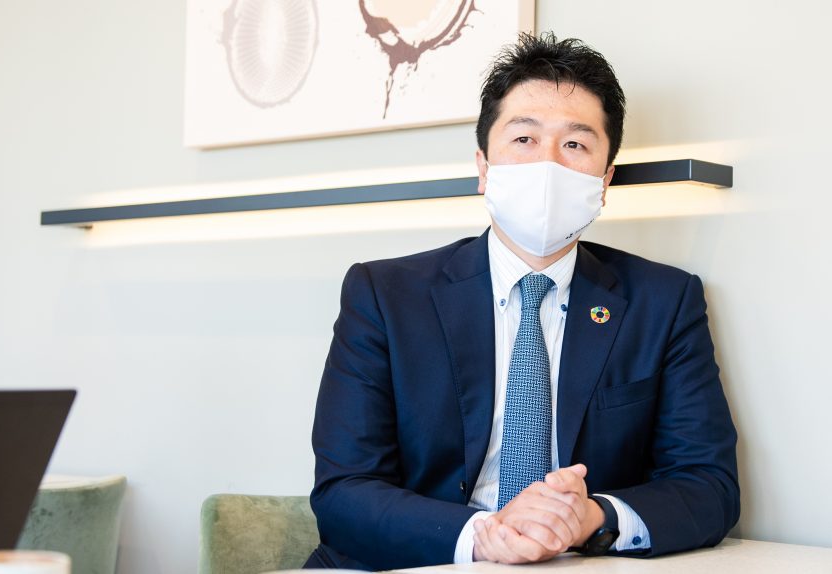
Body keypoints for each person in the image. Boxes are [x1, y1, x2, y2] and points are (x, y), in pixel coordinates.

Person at [306, 31, 739, 570]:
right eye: (525, 139)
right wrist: (482, 536)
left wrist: (593, 517)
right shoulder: (385, 295)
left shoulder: (664, 302)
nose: (547, 165)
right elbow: (344, 491)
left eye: (575, 145)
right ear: (484, 167)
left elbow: (708, 485)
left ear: (605, 179)